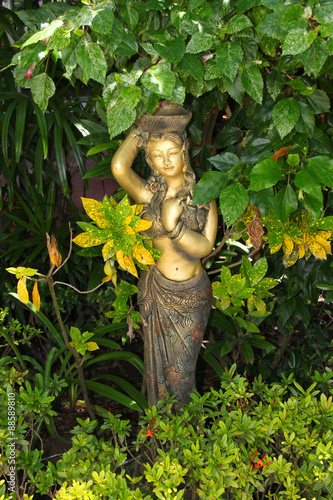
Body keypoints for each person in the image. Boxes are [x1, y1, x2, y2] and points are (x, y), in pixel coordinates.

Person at [111, 101, 218, 409]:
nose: (166, 161)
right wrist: (141, 131)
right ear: (150, 160)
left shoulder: (203, 194)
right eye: (157, 156)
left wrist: (174, 227)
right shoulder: (150, 195)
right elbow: (119, 168)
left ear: (184, 150)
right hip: (157, 291)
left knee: (181, 376)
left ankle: (183, 442)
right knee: (157, 375)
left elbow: (204, 246)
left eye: (172, 152)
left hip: (191, 296)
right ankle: (159, 440)